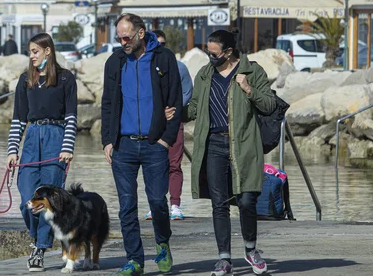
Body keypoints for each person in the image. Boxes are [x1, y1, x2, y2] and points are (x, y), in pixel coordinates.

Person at [183, 30, 275, 276]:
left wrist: (248, 89)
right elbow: (194, 107)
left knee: (246, 201)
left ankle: (250, 249)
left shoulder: (253, 72)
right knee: (219, 204)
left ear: (228, 52)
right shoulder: (205, 74)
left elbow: (269, 105)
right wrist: (175, 113)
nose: (210, 57)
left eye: (213, 53)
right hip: (213, 145)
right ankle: (224, 259)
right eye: (208, 52)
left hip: (243, 145)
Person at [100, 14, 182, 276]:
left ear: (141, 33)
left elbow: (175, 100)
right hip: (122, 145)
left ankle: (162, 243)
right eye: (119, 38)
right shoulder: (114, 61)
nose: (123, 42)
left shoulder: (163, 58)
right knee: (126, 206)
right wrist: (107, 141)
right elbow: (107, 103)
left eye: (127, 37)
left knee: (158, 201)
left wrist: (165, 139)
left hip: (154, 144)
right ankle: (134, 259)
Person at [6, 33, 78, 272]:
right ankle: (41, 238)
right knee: (28, 200)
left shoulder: (66, 79)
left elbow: (71, 117)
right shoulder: (25, 79)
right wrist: (12, 150)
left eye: (35, 51)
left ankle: (39, 248)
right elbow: (18, 119)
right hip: (32, 139)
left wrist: (67, 147)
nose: (32, 56)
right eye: (30, 52)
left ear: (48, 51)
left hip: (56, 138)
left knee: (49, 201)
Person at [145, 30, 193, 221]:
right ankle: (155, 204)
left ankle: (175, 205)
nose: (159, 47)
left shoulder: (179, 67)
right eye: (155, 44)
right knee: (152, 166)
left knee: (174, 164)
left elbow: (188, 92)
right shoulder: (143, 67)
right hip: (151, 125)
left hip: (174, 122)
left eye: (163, 44)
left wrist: (173, 109)